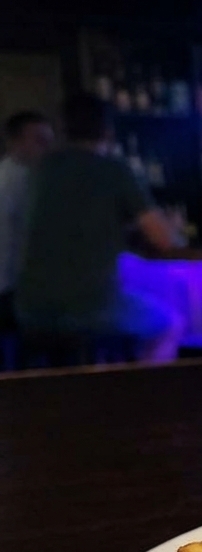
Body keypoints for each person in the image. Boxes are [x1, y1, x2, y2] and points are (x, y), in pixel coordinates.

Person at [15, 92, 182, 361]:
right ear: (108, 130)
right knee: (169, 325)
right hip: (90, 306)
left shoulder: (40, 169)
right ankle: (142, 400)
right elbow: (163, 239)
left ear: (62, 130)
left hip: (30, 306)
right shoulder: (114, 171)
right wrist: (172, 226)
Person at [0, 111, 54, 334]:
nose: (48, 149)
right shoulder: (13, 183)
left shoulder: (25, 177)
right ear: (14, 142)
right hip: (10, 293)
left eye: (49, 142)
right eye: (40, 141)